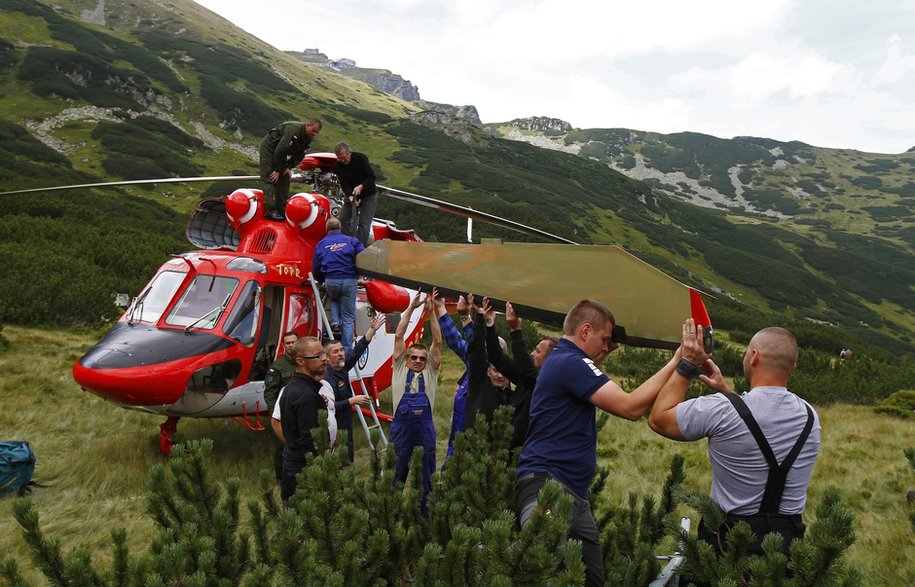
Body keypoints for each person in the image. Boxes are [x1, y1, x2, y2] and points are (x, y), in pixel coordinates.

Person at [515, 299, 680, 587]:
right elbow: (630, 408)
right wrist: (678, 360)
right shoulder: (570, 363)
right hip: (547, 488)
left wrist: (601, 349)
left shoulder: (567, 361)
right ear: (585, 330)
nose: (607, 347)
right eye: (604, 339)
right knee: (542, 572)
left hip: (573, 493)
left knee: (591, 579)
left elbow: (592, 369)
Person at [648, 322, 821, 555]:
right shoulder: (810, 416)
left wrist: (687, 364)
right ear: (793, 367)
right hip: (787, 545)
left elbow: (659, 419)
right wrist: (726, 391)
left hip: (727, 541)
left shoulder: (721, 410)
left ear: (754, 357)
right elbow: (760, 418)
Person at [390, 289, 442, 516]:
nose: (419, 361)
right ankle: (389, 513)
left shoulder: (431, 370)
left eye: (422, 358)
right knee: (396, 473)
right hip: (401, 429)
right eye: (414, 357)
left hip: (425, 430)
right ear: (406, 359)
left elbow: (438, 341)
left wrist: (431, 313)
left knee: (426, 476)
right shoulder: (399, 366)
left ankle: (425, 518)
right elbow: (399, 336)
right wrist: (412, 307)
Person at [484, 300, 558, 450]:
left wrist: (516, 331)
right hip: (506, 449)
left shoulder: (549, 385)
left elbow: (526, 370)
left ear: (550, 359)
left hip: (527, 453)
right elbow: (497, 358)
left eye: (538, 351)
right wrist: (490, 325)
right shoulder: (525, 378)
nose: (532, 353)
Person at [322, 313, 385, 463]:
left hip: (345, 422)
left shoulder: (341, 367)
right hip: (332, 425)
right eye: (335, 352)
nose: (341, 354)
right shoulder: (325, 379)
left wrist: (372, 330)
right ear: (326, 357)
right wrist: (352, 401)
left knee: (347, 455)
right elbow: (327, 408)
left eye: (341, 350)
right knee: (334, 458)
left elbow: (357, 350)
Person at [277, 336, 327, 505]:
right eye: (318, 356)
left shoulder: (293, 388)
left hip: (292, 469)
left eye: (323, 354)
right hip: (304, 476)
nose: (324, 359)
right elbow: (310, 445)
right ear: (300, 361)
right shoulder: (305, 396)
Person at [431, 292, 474, 459]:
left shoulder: (491, 373)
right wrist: (441, 307)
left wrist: (466, 317)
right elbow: (455, 340)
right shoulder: (474, 365)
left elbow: (472, 345)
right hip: (456, 444)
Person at [312, 217, 365, 352]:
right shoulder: (351, 241)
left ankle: (335, 322)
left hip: (331, 280)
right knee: (348, 318)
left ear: (327, 229)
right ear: (340, 228)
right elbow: (364, 254)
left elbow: (316, 266)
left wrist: (319, 279)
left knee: (334, 298)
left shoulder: (321, 244)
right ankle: (346, 349)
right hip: (349, 280)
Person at [464, 295, 511, 430]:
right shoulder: (479, 384)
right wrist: (480, 317)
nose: (500, 376)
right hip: (473, 447)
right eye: (496, 371)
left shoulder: (511, 397)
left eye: (504, 373)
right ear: (488, 371)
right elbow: (476, 351)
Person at [259, 119, 322, 220]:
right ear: (308, 125)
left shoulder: (308, 137)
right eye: (313, 131)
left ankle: (282, 210)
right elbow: (280, 150)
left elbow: (300, 154)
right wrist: (276, 170)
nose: (314, 134)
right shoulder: (293, 130)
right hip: (270, 149)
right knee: (270, 177)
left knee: (285, 178)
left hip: (282, 154)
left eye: (317, 132)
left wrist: (288, 167)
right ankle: (270, 211)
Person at [264, 331, 298, 482]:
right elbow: (270, 393)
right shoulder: (278, 366)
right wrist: (274, 415)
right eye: (288, 343)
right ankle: (281, 478)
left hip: (301, 412)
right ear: (283, 345)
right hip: (285, 414)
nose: (291, 345)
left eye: (293, 342)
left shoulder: (303, 362)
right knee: (282, 446)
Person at [333, 142, 378, 246]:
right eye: (340, 159)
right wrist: (349, 196)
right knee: (343, 219)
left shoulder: (361, 158)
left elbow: (371, 177)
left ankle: (358, 247)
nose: (343, 161)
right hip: (352, 195)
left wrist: (361, 186)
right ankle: (347, 243)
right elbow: (344, 184)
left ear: (349, 153)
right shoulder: (337, 166)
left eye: (344, 158)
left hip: (369, 194)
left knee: (364, 224)